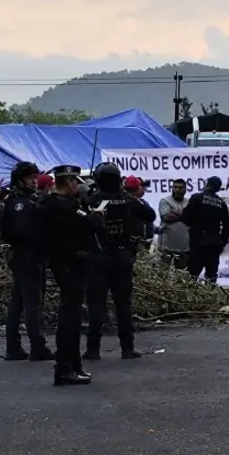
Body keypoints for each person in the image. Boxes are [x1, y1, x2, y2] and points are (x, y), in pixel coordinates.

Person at [39, 165, 103, 385]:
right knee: (70, 318)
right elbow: (93, 224)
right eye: (76, 181)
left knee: (72, 317)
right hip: (70, 263)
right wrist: (91, 213)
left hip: (64, 262)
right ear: (69, 182)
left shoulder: (49, 203)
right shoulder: (63, 205)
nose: (79, 185)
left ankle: (73, 366)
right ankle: (65, 368)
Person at [85, 162, 152, 360]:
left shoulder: (92, 200)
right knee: (123, 304)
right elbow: (150, 215)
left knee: (96, 305)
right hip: (123, 255)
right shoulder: (128, 200)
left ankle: (93, 349)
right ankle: (127, 348)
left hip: (98, 257)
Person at [1, 161, 53, 362]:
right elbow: (25, 232)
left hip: (25, 256)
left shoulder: (23, 199)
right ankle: (36, 345)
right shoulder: (20, 203)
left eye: (35, 177)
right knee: (32, 303)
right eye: (30, 178)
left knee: (19, 302)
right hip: (28, 256)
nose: (34, 181)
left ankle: (13, 345)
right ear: (20, 180)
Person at [181, 176, 229, 283]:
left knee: (192, 276)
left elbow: (185, 217)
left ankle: (189, 298)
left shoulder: (196, 198)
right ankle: (211, 297)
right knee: (211, 277)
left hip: (198, 243)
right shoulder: (221, 203)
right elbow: (227, 226)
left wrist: (194, 225)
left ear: (207, 184)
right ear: (218, 188)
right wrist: (222, 243)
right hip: (214, 244)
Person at [158, 179, 190, 269]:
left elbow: (191, 218)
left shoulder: (188, 202)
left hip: (183, 247)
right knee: (161, 275)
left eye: (180, 188)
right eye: (175, 187)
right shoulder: (165, 201)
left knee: (181, 277)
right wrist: (184, 216)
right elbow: (166, 217)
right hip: (166, 246)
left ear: (185, 189)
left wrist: (176, 214)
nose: (177, 190)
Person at [123, 176, 157, 255]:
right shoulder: (136, 203)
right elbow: (151, 216)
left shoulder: (141, 202)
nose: (144, 189)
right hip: (133, 244)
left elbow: (149, 222)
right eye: (142, 186)